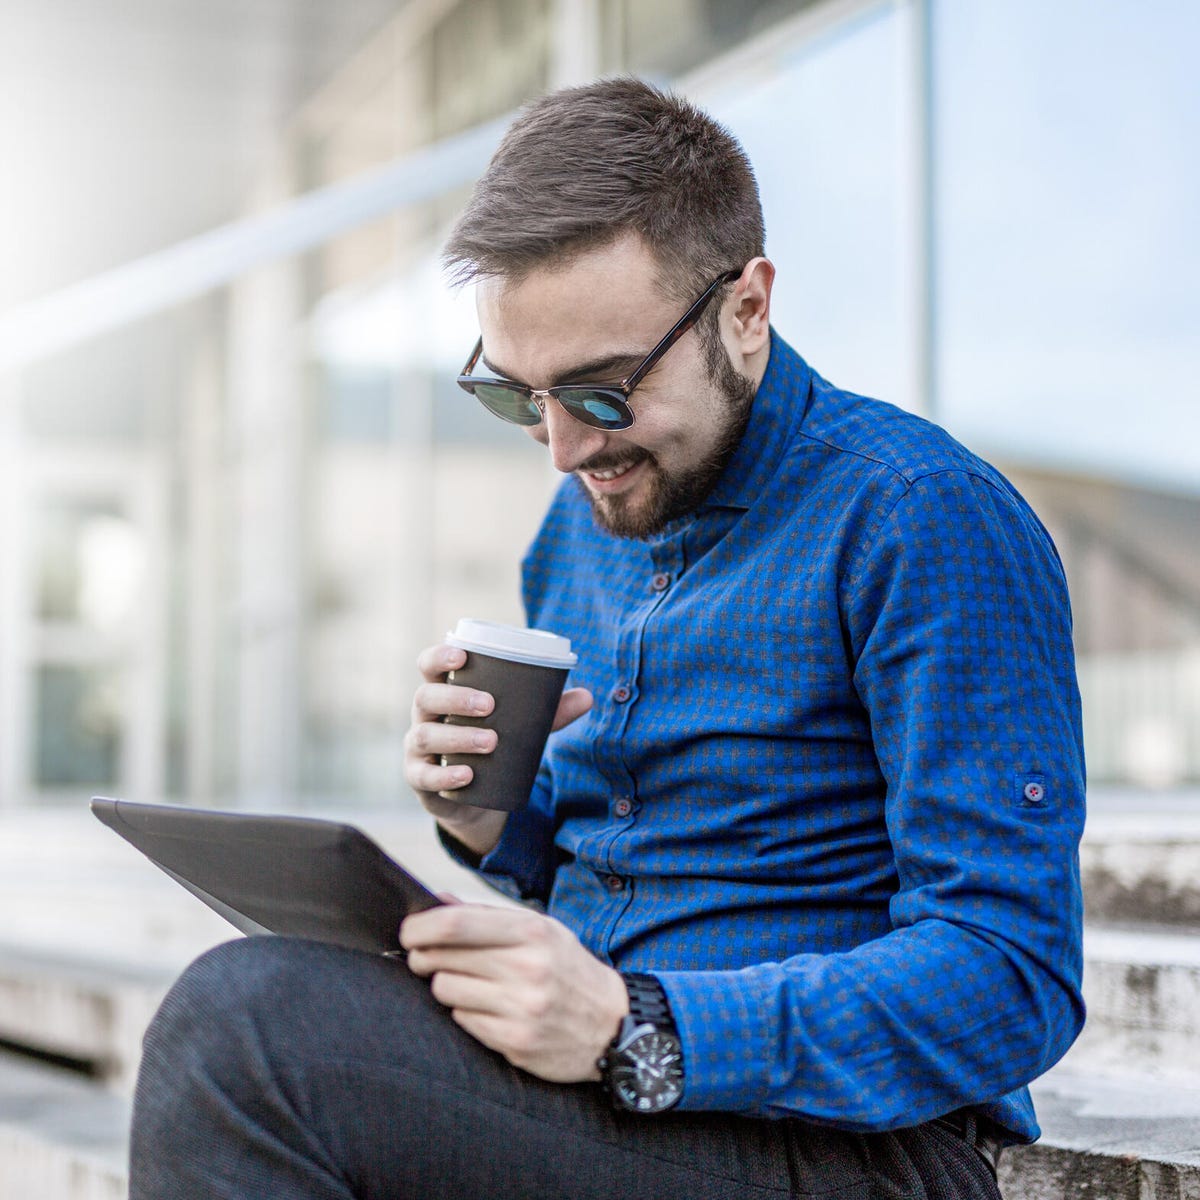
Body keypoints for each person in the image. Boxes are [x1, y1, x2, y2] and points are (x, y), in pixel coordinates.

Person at [129, 77, 1085, 1199]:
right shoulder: (577, 523)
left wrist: (642, 1025)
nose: (563, 449)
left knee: (247, 1029)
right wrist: (491, 821)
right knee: (270, 987)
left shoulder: (920, 516)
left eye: (602, 391)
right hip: (611, 1114)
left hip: (847, 1154)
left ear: (747, 308)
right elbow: (613, 858)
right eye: (518, 397)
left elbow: (1012, 975)